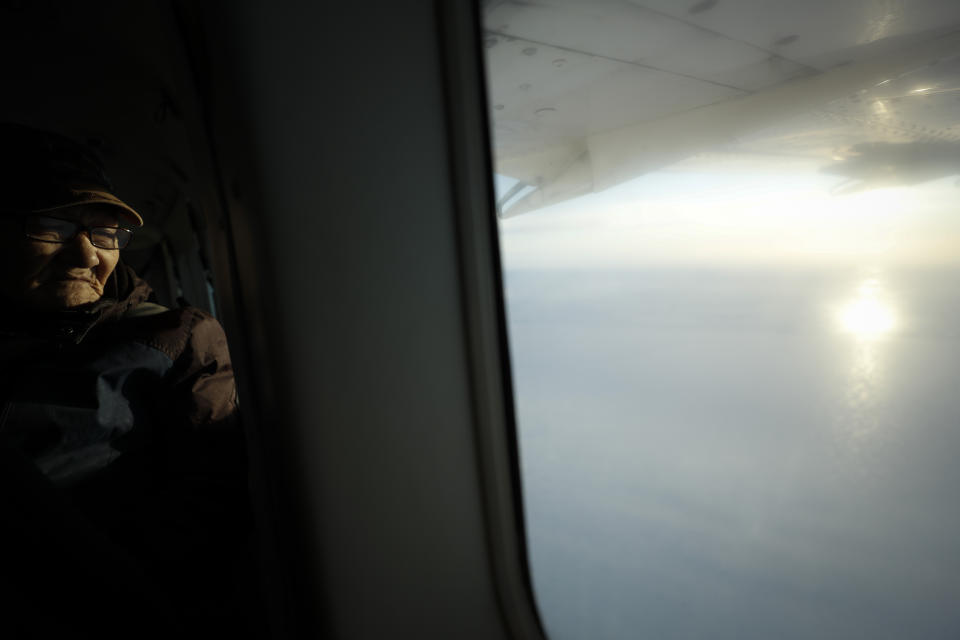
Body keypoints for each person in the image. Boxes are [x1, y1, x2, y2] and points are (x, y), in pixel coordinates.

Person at [0, 124, 255, 638]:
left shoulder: (176, 337)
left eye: (104, 233)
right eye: (52, 225)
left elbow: (209, 515)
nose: (89, 255)